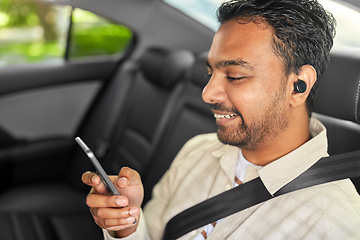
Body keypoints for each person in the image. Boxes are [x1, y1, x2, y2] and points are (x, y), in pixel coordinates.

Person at [82, 0, 360, 239]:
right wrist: (127, 225)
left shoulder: (336, 222)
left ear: (298, 85)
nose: (207, 94)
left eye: (236, 76)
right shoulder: (197, 151)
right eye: (210, 73)